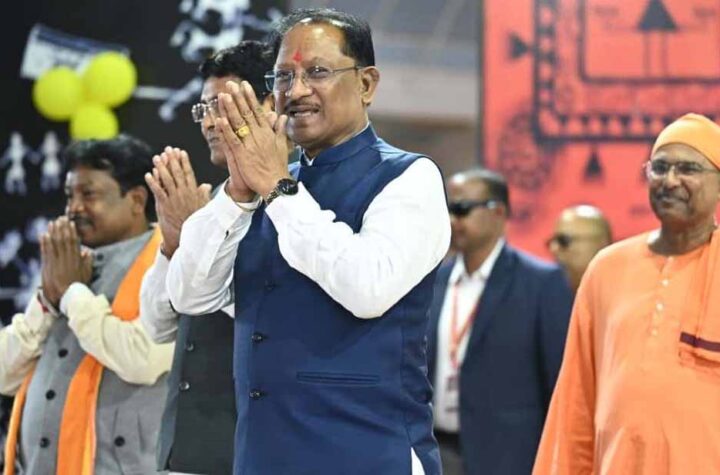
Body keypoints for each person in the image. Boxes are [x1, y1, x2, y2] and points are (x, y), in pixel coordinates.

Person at [165, 7, 451, 475]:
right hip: (262, 457)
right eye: (283, 76)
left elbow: (367, 289)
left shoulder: (409, 178)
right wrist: (237, 194)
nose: (295, 91)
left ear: (366, 84)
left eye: (317, 72)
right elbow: (190, 296)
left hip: (368, 455)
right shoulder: (261, 187)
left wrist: (278, 189)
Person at [533, 113, 720, 474]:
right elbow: (576, 401)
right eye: (660, 168)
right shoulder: (607, 268)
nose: (670, 180)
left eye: (688, 169)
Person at [0, 135, 173, 474]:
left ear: (136, 200)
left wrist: (71, 293)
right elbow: (5, 373)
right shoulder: (69, 264)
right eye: (70, 195)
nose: (73, 208)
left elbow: (142, 360)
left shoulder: (169, 261)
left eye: (88, 194)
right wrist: (48, 301)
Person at [139, 40, 274, 475]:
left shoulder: (295, 202)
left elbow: (280, 315)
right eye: (204, 109)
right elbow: (157, 325)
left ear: (270, 104)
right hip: (181, 448)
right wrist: (173, 245)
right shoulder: (209, 204)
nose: (211, 122)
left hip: (251, 452)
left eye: (223, 105)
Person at [426, 168, 574, 475]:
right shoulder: (433, 281)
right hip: (436, 452)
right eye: (448, 209)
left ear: (498, 212)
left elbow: (559, 384)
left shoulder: (540, 284)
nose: (452, 220)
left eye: (462, 209)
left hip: (509, 458)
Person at [547, 204, 612, 292]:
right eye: (552, 241)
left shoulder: (623, 289)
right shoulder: (545, 292)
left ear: (601, 242)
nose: (554, 248)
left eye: (564, 240)